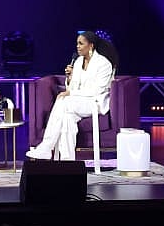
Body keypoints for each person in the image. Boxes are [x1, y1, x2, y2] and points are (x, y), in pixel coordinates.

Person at [27, 30, 116, 160]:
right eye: (77, 43)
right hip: (78, 102)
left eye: (81, 44)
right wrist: (69, 78)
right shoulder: (79, 61)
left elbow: (97, 90)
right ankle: (67, 160)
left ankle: (46, 147)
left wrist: (71, 93)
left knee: (64, 102)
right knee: (67, 118)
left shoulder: (103, 64)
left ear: (91, 46)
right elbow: (73, 87)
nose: (77, 46)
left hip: (95, 102)